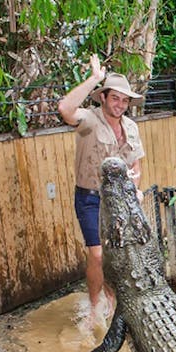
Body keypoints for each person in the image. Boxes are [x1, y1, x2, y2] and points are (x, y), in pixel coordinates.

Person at [58, 55, 144, 324]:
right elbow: (65, 108)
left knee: (114, 254)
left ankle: (112, 300)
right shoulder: (90, 120)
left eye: (125, 100)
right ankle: (94, 308)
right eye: (115, 98)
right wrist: (95, 78)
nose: (120, 104)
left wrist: (135, 189)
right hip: (90, 198)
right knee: (96, 254)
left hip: (118, 200)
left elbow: (136, 167)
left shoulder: (131, 127)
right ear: (104, 97)